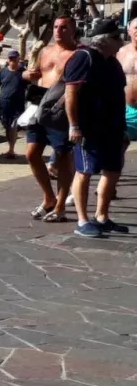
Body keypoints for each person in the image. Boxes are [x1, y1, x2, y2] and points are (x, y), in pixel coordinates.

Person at [65, 18, 128, 237]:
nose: (121, 40)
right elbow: (71, 93)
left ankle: (102, 216)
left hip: (113, 128)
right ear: (103, 41)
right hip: (89, 129)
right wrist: (74, 125)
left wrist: (122, 128)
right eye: (116, 37)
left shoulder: (112, 61)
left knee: (112, 170)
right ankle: (82, 221)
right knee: (84, 171)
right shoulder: (83, 58)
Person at [26, 15, 80, 222]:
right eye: (56, 26)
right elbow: (38, 74)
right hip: (40, 105)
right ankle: (48, 197)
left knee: (63, 156)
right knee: (32, 153)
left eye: (64, 27)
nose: (58, 30)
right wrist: (28, 75)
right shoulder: (45, 51)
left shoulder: (77, 54)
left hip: (61, 108)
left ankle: (60, 205)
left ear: (73, 30)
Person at [0, 49, 27, 158]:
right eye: (11, 59)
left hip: (18, 104)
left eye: (15, 58)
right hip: (4, 104)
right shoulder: (3, 72)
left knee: (13, 125)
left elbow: (32, 86)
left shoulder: (23, 73)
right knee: (8, 126)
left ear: (18, 59)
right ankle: (11, 149)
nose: (13, 61)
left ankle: (12, 150)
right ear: (8, 60)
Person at [119, 20, 137, 143]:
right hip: (126, 111)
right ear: (129, 31)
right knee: (120, 147)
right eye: (136, 28)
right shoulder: (120, 53)